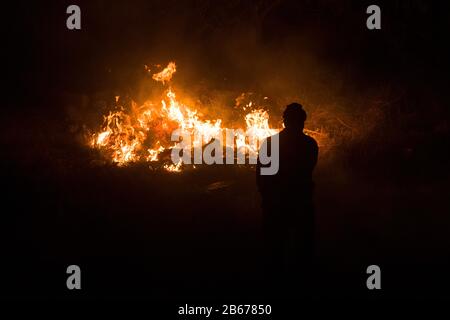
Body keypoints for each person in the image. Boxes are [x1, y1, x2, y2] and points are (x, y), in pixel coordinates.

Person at [256, 102, 318, 297]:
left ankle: (275, 287)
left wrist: (267, 198)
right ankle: (299, 285)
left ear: (285, 121)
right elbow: (309, 170)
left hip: (277, 203)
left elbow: (262, 176)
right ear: (302, 121)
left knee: (275, 248)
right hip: (300, 202)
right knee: (301, 248)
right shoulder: (310, 144)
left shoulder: (271, 143)